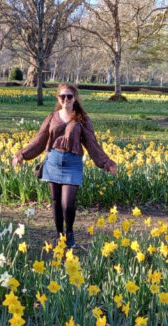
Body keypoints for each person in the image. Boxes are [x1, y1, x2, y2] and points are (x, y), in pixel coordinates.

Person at [11, 83, 118, 249]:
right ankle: (59, 234)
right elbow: (39, 140)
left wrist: (106, 162)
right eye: (63, 96)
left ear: (74, 98)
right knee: (55, 201)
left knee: (68, 203)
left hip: (72, 163)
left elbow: (92, 144)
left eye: (69, 96)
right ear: (58, 98)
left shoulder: (82, 119)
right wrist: (22, 155)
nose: (66, 99)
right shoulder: (52, 117)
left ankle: (70, 231)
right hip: (53, 160)